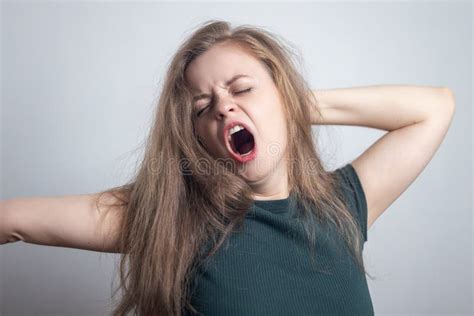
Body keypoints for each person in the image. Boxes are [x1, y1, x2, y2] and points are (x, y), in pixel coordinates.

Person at [0, 19, 455, 316]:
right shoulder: (174, 221)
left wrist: (295, 104)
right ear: (196, 135)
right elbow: (12, 219)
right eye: (203, 106)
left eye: (242, 89)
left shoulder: (343, 205)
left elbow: (434, 108)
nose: (223, 108)